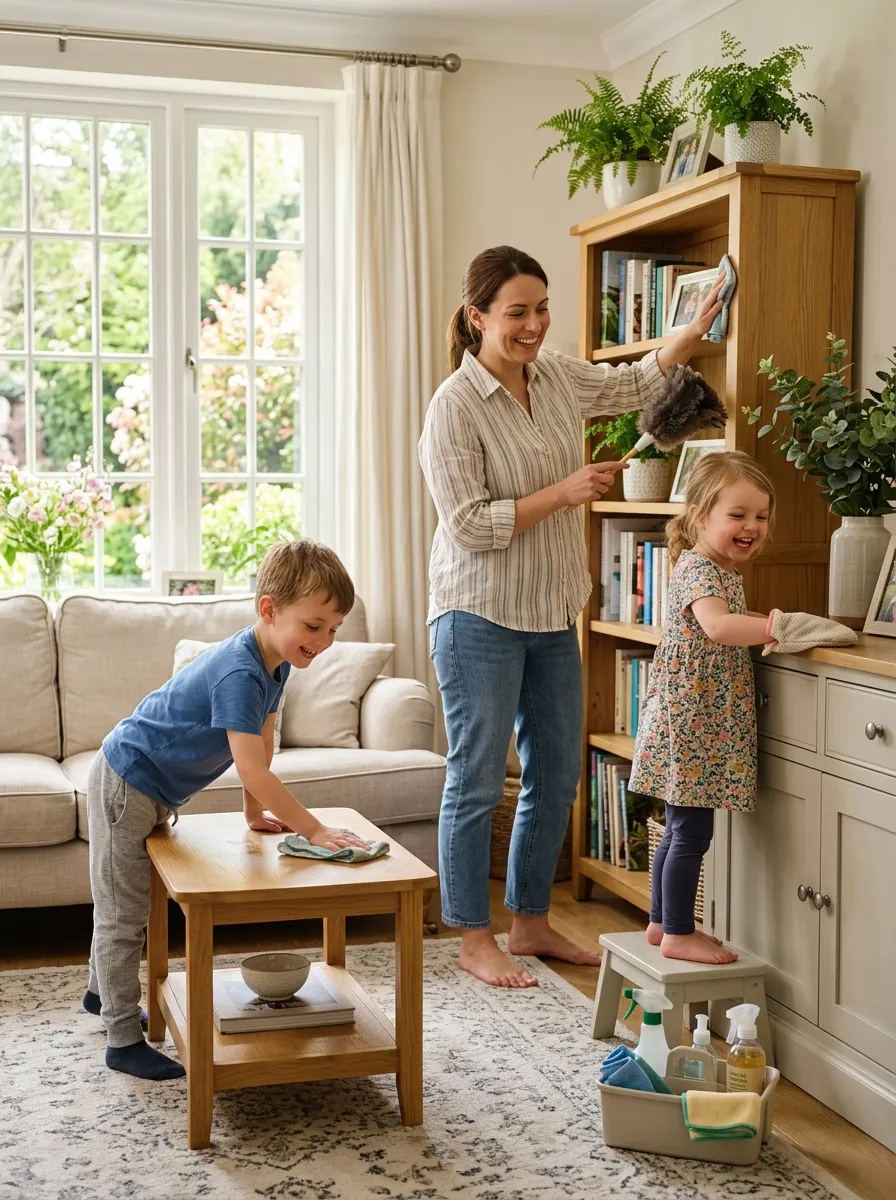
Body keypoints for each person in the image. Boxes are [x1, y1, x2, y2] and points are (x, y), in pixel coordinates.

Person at [418, 245, 724, 988]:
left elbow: (629, 385)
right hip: (477, 613)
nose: (533, 325)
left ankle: (529, 923)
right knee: (479, 778)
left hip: (553, 611)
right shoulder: (453, 407)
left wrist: (692, 327)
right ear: (477, 317)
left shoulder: (554, 377)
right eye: (517, 312)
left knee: (556, 775)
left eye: (542, 308)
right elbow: (466, 523)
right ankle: (472, 935)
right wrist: (562, 491)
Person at [83, 539, 368, 1079]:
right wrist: (316, 829)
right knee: (122, 912)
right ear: (269, 609)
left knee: (122, 901)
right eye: (314, 626)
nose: (324, 642)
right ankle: (121, 1039)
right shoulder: (239, 672)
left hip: (152, 788)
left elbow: (261, 750)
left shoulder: (275, 664)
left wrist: (253, 815)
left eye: (333, 630)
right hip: (126, 781)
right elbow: (253, 769)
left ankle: (102, 995)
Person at [630, 452, 777, 965]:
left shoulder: (713, 567)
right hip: (695, 723)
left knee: (675, 827)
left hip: (694, 719)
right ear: (699, 515)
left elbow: (724, 621)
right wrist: (776, 627)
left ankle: (658, 922)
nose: (752, 527)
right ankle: (678, 930)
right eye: (738, 515)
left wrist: (763, 620)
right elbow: (717, 626)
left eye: (761, 516)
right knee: (692, 831)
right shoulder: (700, 571)